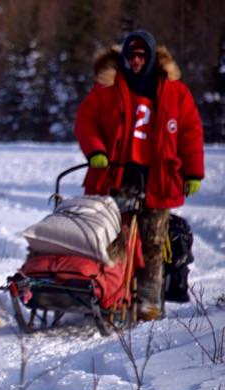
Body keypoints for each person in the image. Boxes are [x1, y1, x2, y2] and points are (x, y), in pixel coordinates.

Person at [74, 29, 204, 321]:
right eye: (130, 55)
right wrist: (95, 150)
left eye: (141, 56)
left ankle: (148, 302)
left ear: (151, 58)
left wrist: (193, 170)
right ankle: (111, 293)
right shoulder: (107, 87)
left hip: (159, 177)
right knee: (112, 237)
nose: (135, 61)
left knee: (153, 241)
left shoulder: (174, 91)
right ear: (123, 58)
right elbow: (86, 122)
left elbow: (190, 132)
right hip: (115, 176)